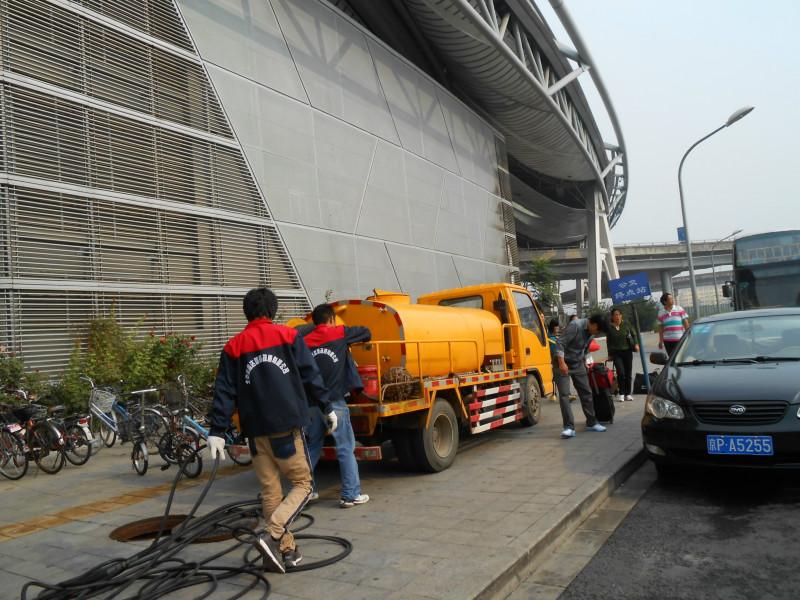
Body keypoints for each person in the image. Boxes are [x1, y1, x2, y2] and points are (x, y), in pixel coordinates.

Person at [207, 288, 336, 574]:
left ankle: (285, 551)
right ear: (273, 311)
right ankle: (272, 533)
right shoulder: (288, 336)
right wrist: (327, 407)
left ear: (246, 312)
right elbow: (310, 374)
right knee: (304, 485)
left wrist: (217, 428)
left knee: (270, 492)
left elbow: (225, 389)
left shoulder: (233, 346)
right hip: (285, 427)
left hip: (255, 432)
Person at [302, 304, 371, 508]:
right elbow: (366, 332)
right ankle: (350, 494)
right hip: (335, 402)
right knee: (345, 447)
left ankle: (304, 492)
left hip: (312, 404)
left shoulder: (304, 341)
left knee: (312, 447)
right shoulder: (339, 333)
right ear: (332, 319)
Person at [555, 314, 610, 438]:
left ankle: (592, 422)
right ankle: (569, 427)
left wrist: (585, 360)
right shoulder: (575, 326)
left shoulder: (591, 332)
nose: (597, 333)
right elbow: (560, 343)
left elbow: (585, 347)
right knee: (564, 395)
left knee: (586, 392)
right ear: (594, 324)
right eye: (598, 330)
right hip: (562, 363)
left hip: (578, 363)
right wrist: (562, 363)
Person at [606, 308, 639, 402]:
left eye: (618, 314)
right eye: (615, 315)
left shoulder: (626, 324)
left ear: (621, 315)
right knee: (621, 373)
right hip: (616, 353)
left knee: (628, 373)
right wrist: (609, 354)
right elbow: (608, 341)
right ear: (612, 317)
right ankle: (621, 393)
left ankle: (628, 394)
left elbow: (634, 334)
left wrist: (636, 344)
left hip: (627, 351)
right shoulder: (610, 327)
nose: (617, 316)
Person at [657, 293, 689, 357]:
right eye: (670, 299)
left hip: (679, 339)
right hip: (667, 341)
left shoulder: (679, 309)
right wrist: (661, 341)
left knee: (680, 357)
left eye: (672, 298)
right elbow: (661, 328)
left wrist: (688, 335)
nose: (673, 300)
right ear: (665, 301)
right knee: (671, 358)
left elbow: (686, 323)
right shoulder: (660, 313)